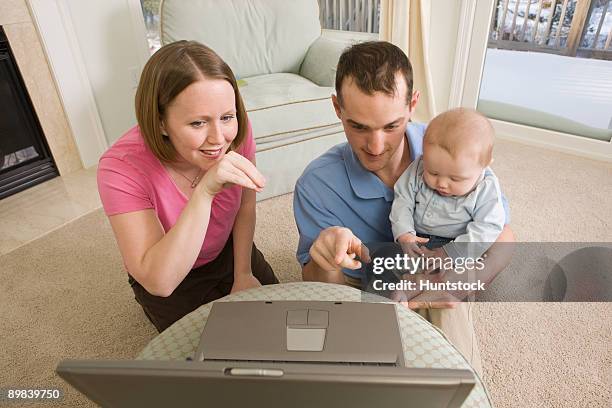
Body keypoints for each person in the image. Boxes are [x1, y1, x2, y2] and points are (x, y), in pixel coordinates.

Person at [293, 41, 515, 375]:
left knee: (450, 336)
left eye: (391, 126)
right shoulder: (316, 185)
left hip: (442, 269)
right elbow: (323, 287)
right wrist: (326, 257)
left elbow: (504, 234)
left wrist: (461, 282)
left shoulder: (451, 144)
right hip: (373, 286)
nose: (376, 146)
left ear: (413, 104)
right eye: (359, 126)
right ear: (337, 108)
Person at [97, 41, 278, 333]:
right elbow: (160, 281)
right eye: (197, 123)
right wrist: (205, 191)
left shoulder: (237, 131)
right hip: (171, 268)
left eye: (226, 117)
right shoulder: (119, 168)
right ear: (160, 123)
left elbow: (245, 206)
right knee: (206, 360)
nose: (219, 139)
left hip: (229, 250)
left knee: (277, 326)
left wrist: (243, 271)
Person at [390, 107, 505, 261]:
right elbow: (402, 199)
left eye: (455, 179)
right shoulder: (419, 166)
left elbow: (487, 227)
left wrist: (453, 252)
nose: (442, 184)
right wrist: (404, 233)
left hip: (458, 243)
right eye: (433, 172)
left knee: (454, 277)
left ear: (483, 166)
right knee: (385, 264)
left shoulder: (486, 187)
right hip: (414, 236)